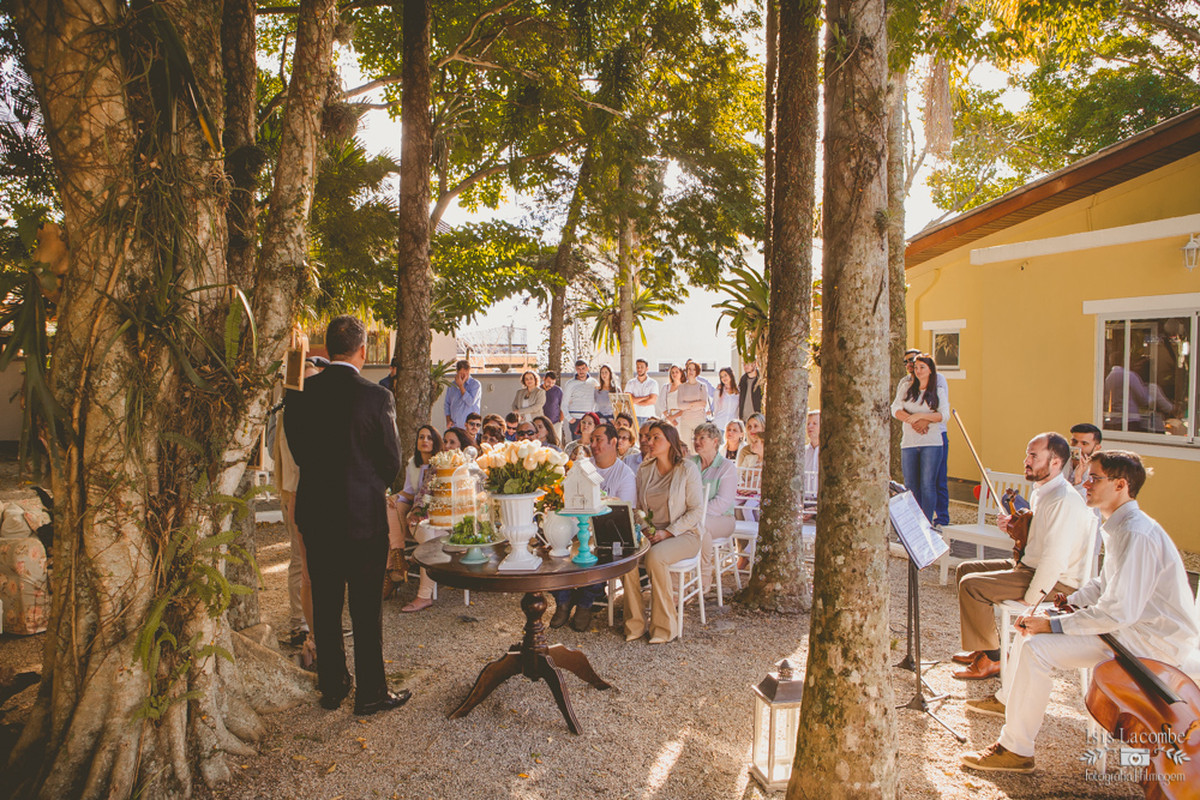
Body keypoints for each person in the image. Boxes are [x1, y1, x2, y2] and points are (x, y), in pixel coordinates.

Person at [962, 450, 1200, 773]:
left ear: (1120, 485)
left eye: (1095, 478)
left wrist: (1054, 626)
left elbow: (1118, 612)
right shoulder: (1122, 525)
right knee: (1029, 634)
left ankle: (1016, 749)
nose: (1085, 483)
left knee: (1037, 647)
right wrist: (1066, 606)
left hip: (1150, 642)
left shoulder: (1136, 532)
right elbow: (1103, 585)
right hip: (1129, 631)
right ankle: (1010, 718)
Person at [284, 315, 410, 716]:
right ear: (361, 351)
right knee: (365, 609)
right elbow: (392, 461)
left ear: (325, 349)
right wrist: (369, 484)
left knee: (324, 603)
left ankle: (333, 686)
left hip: (317, 513)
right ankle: (371, 692)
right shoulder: (376, 397)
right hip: (362, 517)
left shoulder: (301, 393)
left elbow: (300, 451)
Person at [951, 433, 1097, 681]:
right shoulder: (1043, 491)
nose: (1025, 461)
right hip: (1029, 566)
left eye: (1033, 456)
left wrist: (1032, 600)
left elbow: (1055, 559)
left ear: (1055, 463)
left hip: (1057, 581)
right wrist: (1013, 526)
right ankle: (987, 647)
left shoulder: (1063, 499)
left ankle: (993, 660)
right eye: (1027, 454)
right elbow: (1037, 540)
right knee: (965, 569)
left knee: (972, 586)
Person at [622, 422, 705, 644]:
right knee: (626, 557)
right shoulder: (644, 470)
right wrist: (647, 529)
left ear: (670, 441)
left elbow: (696, 510)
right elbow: (638, 508)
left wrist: (667, 532)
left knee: (655, 557)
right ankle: (635, 624)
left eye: (656, 437)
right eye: (649, 437)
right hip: (651, 533)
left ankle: (664, 627)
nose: (649, 441)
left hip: (684, 534)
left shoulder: (687, 469)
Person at [551, 423, 637, 631]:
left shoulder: (624, 474)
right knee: (553, 545)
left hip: (603, 531)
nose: (593, 444)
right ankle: (563, 600)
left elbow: (622, 511)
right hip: (575, 525)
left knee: (598, 550)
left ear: (613, 442)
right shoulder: (582, 466)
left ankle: (585, 603)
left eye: (599, 439)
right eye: (593, 439)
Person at [274, 357, 324, 659]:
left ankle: (311, 623)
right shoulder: (292, 414)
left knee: (309, 565)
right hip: (296, 495)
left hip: (304, 494)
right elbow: (292, 465)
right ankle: (300, 624)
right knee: (301, 562)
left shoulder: (304, 413)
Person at [386, 425, 442, 611]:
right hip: (414, 506)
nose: (424, 441)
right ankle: (398, 556)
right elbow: (410, 492)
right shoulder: (413, 463)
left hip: (432, 511)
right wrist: (396, 497)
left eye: (429, 437)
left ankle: (421, 593)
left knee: (427, 536)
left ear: (435, 442)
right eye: (421, 437)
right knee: (390, 505)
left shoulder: (440, 463)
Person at [891, 354, 946, 523]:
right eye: (916, 367)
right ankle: (912, 523)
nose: (918, 371)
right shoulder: (906, 387)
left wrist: (923, 418)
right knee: (911, 485)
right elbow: (896, 409)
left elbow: (943, 414)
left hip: (931, 443)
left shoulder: (938, 390)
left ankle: (926, 522)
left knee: (928, 484)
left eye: (922, 367)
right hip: (909, 442)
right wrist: (912, 421)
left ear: (930, 370)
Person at [904, 348, 952, 527]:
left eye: (914, 361)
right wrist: (914, 421)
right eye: (908, 362)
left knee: (936, 480)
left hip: (936, 433)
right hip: (913, 436)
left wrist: (923, 421)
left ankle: (941, 520)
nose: (910, 365)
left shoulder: (938, 380)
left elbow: (940, 409)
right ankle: (917, 523)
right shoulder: (906, 383)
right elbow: (902, 409)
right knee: (914, 483)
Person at [691, 423, 737, 594]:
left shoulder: (726, 467)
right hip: (695, 518)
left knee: (700, 527)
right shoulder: (690, 463)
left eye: (702, 438)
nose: (697, 441)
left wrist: (696, 514)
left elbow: (723, 502)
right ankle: (686, 577)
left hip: (723, 519)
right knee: (697, 528)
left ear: (715, 441)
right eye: (695, 438)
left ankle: (704, 574)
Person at [562, 359, 598, 441]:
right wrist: (569, 418)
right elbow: (564, 402)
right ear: (576, 369)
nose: (581, 371)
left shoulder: (594, 382)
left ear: (587, 369)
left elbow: (598, 400)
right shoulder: (570, 383)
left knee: (589, 442)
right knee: (577, 444)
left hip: (589, 419)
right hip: (575, 419)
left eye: (583, 368)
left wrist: (595, 416)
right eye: (578, 369)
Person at [676, 362, 709, 449]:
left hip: (699, 420)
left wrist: (688, 405)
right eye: (689, 369)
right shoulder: (681, 387)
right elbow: (680, 405)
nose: (691, 371)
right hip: (685, 420)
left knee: (698, 446)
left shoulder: (702, 386)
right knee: (686, 447)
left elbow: (703, 404)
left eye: (693, 369)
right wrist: (695, 403)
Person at [443, 359, 481, 430]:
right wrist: (448, 420)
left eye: (465, 374)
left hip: (470, 428)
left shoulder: (475, 385)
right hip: (455, 426)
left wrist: (461, 386)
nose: (463, 376)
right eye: (461, 374)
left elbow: (470, 402)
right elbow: (447, 404)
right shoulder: (452, 386)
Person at [1067, 422, 1102, 495]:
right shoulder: (1058, 462)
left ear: (1097, 448)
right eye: (1074, 441)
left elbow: (1087, 503)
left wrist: (1078, 480)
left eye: (1084, 443)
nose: (1077, 446)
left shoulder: (1098, 473)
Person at [624, 358, 659, 425]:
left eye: (642, 367)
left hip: (649, 416)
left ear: (647, 368)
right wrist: (645, 397)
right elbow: (628, 400)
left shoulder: (653, 383)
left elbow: (652, 401)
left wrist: (634, 401)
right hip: (633, 416)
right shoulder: (630, 383)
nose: (639, 369)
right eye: (638, 367)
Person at [711, 367, 739, 432]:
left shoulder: (738, 392)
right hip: (719, 426)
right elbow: (716, 409)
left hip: (732, 427)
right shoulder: (718, 392)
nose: (724, 378)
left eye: (725, 375)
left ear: (731, 375)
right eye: (721, 377)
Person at [541, 371, 564, 442]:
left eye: (553, 383)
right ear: (544, 379)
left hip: (555, 422)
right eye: (548, 382)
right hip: (542, 423)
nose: (550, 385)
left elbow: (562, 405)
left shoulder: (558, 390)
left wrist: (561, 420)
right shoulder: (538, 390)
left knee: (556, 442)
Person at [803, 410, 820, 502]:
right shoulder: (802, 452)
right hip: (804, 501)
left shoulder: (828, 453)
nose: (810, 426)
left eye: (815, 423)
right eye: (808, 423)